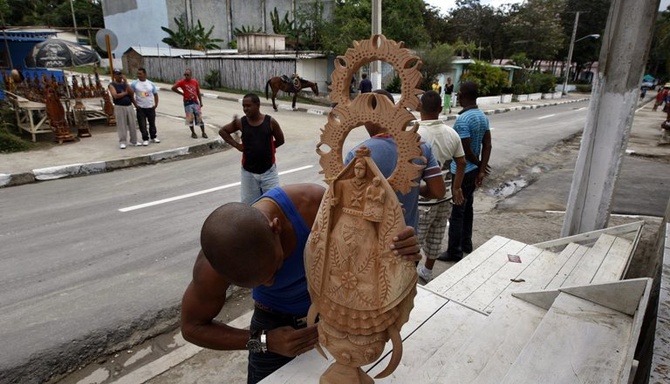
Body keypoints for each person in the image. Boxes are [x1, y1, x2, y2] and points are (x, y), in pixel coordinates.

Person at [180, 183, 422, 384]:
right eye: (257, 282)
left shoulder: (315, 207)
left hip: (333, 317)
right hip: (272, 324)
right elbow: (192, 328)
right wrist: (264, 341)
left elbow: (376, 249)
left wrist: (401, 249)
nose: (271, 282)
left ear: (275, 227)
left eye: (274, 267)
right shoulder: (215, 263)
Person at [344, 89, 445, 231]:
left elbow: (345, 203)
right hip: (407, 241)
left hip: (369, 243)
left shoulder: (357, 155)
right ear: (392, 111)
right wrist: (414, 187)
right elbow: (438, 191)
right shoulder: (420, 146)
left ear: (368, 116)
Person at [415, 90, 466, 282]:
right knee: (436, 235)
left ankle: (410, 272)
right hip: (444, 198)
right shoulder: (452, 134)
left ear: (419, 107)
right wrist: (456, 188)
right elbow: (461, 162)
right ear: (440, 109)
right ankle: (427, 271)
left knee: (415, 239)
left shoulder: (414, 133)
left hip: (422, 198)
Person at [439, 81, 492, 262]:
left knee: (457, 211)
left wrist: (478, 165)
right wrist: (482, 168)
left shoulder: (463, 119)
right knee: (468, 207)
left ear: (462, 95)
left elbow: (465, 150)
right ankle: (466, 243)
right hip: (474, 170)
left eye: (459, 93)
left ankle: (454, 251)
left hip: (462, 171)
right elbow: (488, 144)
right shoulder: (482, 116)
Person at [219, 94, 285, 204]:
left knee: (275, 204)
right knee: (249, 207)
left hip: (269, 172)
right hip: (248, 173)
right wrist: (237, 145)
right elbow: (223, 131)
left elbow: (280, 140)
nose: (245, 109)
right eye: (243, 106)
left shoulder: (270, 122)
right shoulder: (241, 122)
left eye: (248, 106)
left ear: (258, 105)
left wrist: (267, 148)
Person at [171, 68, 207, 139]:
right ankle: (193, 133)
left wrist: (201, 101)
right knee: (190, 119)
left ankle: (203, 132)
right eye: (185, 75)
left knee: (199, 118)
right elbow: (173, 88)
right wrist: (182, 93)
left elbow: (198, 92)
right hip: (187, 102)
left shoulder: (195, 82)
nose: (186, 76)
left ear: (191, 75)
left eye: (187, 75)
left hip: (195, 102)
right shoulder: (182, 82)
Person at [108, 69, 139, 149]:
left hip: (129, 105)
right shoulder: (112, 85)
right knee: (122, 125)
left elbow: (131, 93)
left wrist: (126, 83)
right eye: (117, 75)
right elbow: (115, 95)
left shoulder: (124, 84)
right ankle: (122, 141)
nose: (120, 76)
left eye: (120, 74)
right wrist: (125, 93)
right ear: (114, 76)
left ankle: (134, 140)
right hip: (119, 106)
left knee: (132, 124)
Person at [131, 67, 160, 146]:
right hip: (141, 108)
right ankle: (145, 138)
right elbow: (131, 95)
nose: (139, 75)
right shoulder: (134, 84)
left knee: (152, 123)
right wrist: (136, 105)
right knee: (142, 124)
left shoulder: (150, 84)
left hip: (150, 107)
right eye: (138, 74)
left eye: (140, 74)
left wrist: (156, 104)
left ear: (145, 74)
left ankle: (153, 136)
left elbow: (155, 94)